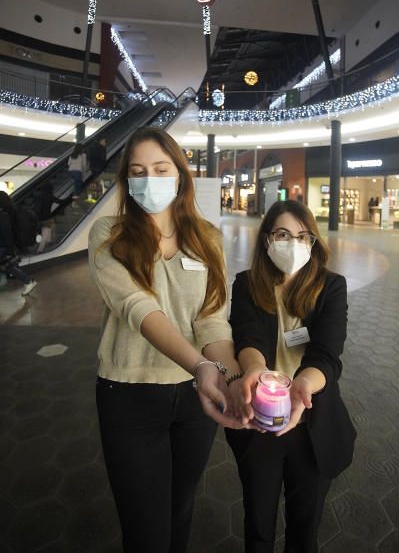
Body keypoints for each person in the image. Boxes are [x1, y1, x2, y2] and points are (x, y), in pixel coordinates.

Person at [88, 126, 246, 553]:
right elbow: (139, 309)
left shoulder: (207, 237)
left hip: (194, 398)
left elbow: (213, 320)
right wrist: (201, 367)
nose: (150, 179)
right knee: (145, 528)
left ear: (180, 175)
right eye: (138, 171)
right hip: (130, 394)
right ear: (126, 181)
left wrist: (226, 376)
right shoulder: (109, 235)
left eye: (160, 168)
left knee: (180, 509)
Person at [225, 199, 356, 553]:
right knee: (258, 526)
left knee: (304, 528)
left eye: (303, 236)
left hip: (311, 419)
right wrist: (254, 368)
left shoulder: (331, 287)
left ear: (313, 242)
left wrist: (303, 387)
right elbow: (247, 336)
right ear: (267, 239)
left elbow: (327, 353)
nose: (293, 243)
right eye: (283, 234)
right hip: (260, 420)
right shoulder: (247, 284)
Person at [0, 191, 37, 295]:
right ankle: (28, 281)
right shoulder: (5, 214)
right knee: (8, 267)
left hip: (3, 247)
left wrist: (10, 249)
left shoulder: (3, 216)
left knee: (8, 266)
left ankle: (29, 281)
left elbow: (7, 235)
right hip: (3, 246)